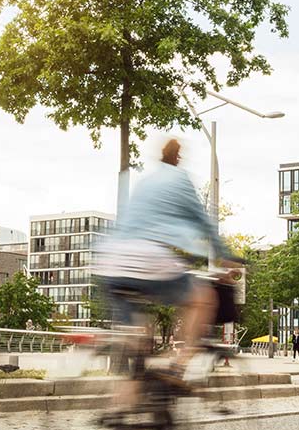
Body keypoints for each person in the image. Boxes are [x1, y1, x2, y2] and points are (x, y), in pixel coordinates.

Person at [95, 138, 239, 405]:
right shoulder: (180, 180)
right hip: (147, 257)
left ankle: (119, 419)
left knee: (138, 341)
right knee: (203, 298)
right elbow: (202, 221)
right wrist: (224, 256)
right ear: (178, 158)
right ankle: (178, 366)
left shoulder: (145, 182)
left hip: (111, 260)